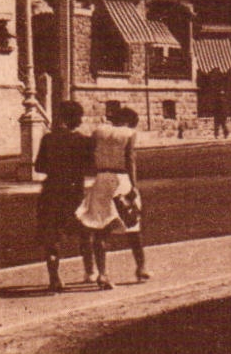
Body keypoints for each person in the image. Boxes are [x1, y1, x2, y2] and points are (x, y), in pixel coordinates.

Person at [77, 106, 149, 287]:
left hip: (102, 178)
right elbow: (130, 160)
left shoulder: (99, 131)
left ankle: (102, 274)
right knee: (132, 224)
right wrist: (134, 185)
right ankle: (141, 268)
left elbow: (89, 155)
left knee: (101, 227)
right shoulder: (129, 133)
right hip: (121, 179)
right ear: (130, 122)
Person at [33, 100, 93, 292]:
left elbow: (39, 167)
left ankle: (54, 278)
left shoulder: (48, 139)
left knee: (52, 236)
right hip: (74, 191)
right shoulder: (82, 140)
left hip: (51, 190)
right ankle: (89, 272)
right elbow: (90, 165)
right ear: (75, 118)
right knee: (85, 231)